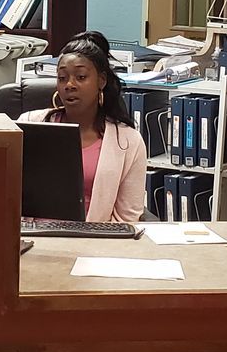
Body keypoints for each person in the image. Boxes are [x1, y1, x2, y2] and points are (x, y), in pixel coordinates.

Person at [17, 31, 146, 223]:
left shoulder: (128, 141)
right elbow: (6, 193)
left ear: (101, 81)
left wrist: (88, 246)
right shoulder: (28, 124)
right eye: (62, 78)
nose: (69, 84)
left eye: (81, 76)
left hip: (94, 244)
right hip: (35, 241)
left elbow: (127, 219)